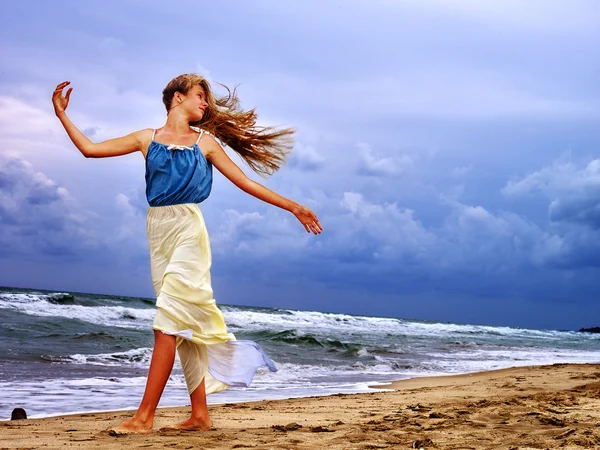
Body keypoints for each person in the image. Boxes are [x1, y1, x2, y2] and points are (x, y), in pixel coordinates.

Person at [52, 74, 322, 435]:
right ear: (177, 97)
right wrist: (61, 115)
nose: (205, 104)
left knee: (167, 321)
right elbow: (90, 148)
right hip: (158, 232)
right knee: (182, 325)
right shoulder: (145, 138)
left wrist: (293, 207)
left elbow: (246, 182)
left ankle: (144, 417)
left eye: (206, 99)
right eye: (199, 96)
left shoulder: (205, 143)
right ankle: (200, 416)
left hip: (189, 230)